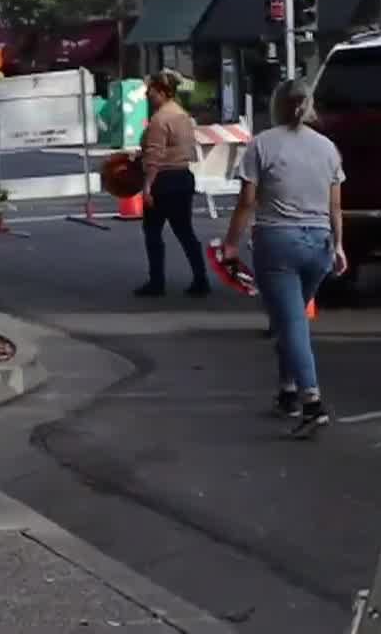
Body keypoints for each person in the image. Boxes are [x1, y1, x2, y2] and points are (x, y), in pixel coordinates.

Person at [220, 80, 346, 435]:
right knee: (292, 318)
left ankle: (312, 401)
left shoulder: (262, 145)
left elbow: (247, 202)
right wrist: (339, 246)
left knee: (290, 323)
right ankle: (288, 390)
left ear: (276, 105)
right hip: (319, 243)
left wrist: (231, 242)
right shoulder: (328, 149)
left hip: (277, 242)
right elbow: (335, 206)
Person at [133, 69, 207, 298]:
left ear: (163, 92)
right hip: (182, 177)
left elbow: (155, 156)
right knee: (185, 232)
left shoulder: (159, 120)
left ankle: (156, 282)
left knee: (153, 232)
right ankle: (201, 278)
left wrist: (147, 188)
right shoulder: (182, 115)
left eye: (151, 91)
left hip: (162, 181)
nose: (148, 95)